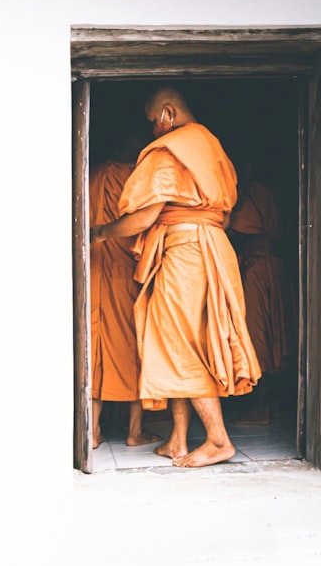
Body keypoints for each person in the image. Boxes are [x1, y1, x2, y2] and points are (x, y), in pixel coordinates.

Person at [89, 86, 261, 468]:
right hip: (213, 247)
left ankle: (218, 440)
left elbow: (145, 217)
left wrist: (100, 233)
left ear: (168, 113)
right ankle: (178, 440)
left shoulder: (173, 148)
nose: (153, 131)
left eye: (153, 122)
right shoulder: (212, 148)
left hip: (185, 251)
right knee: (181, 338)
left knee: (180, 343)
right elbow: (227, 215)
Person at [89, 133, 161, 449]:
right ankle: (135, 431)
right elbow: (143, 221)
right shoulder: (134, 177)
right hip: (124, 271)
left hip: (91, 268)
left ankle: (92, 432)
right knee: (134, 348)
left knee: (93, 350)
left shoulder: (89, 175)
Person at [227, 160, 289, 424]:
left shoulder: (253, 193)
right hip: (273, 269)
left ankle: (260, 408)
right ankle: (271, 406)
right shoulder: (273, 194)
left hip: (256, 272)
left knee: (257, 335)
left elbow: (241, 227)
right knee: (274, 334)